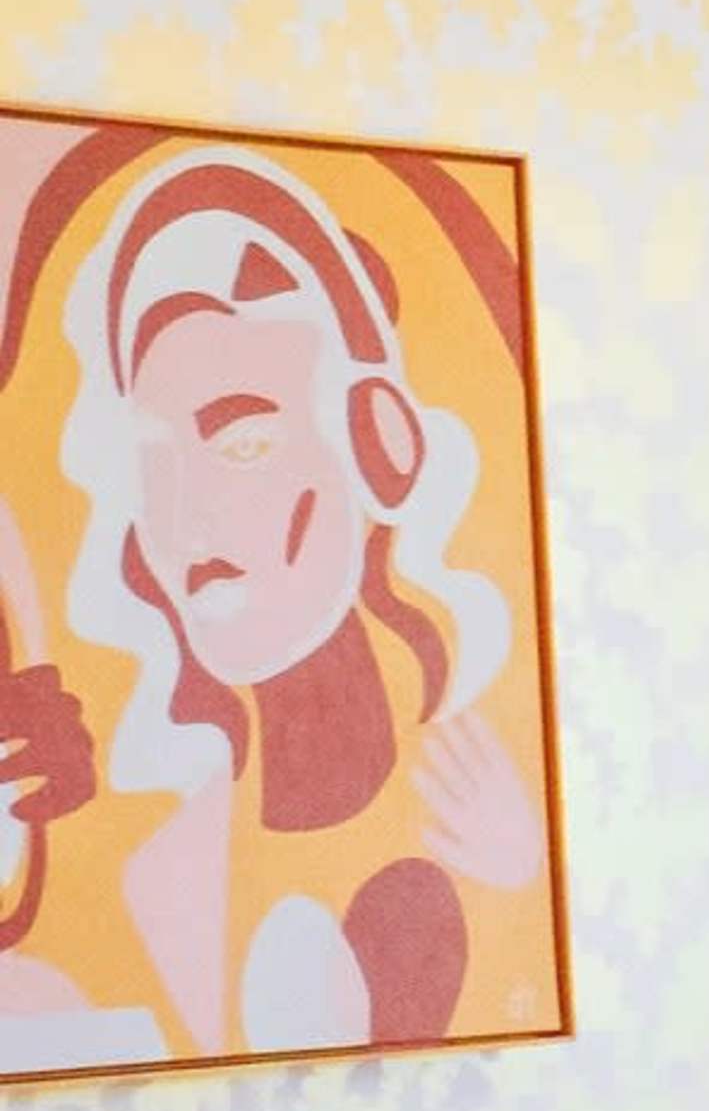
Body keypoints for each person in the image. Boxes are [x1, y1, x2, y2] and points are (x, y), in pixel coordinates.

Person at [58, 147, 545, 1054]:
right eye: (156, 471)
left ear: (380, 444)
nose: (190, 517)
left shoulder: (482, 807)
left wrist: (524, 879)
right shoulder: (161, 871)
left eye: (239, 444)